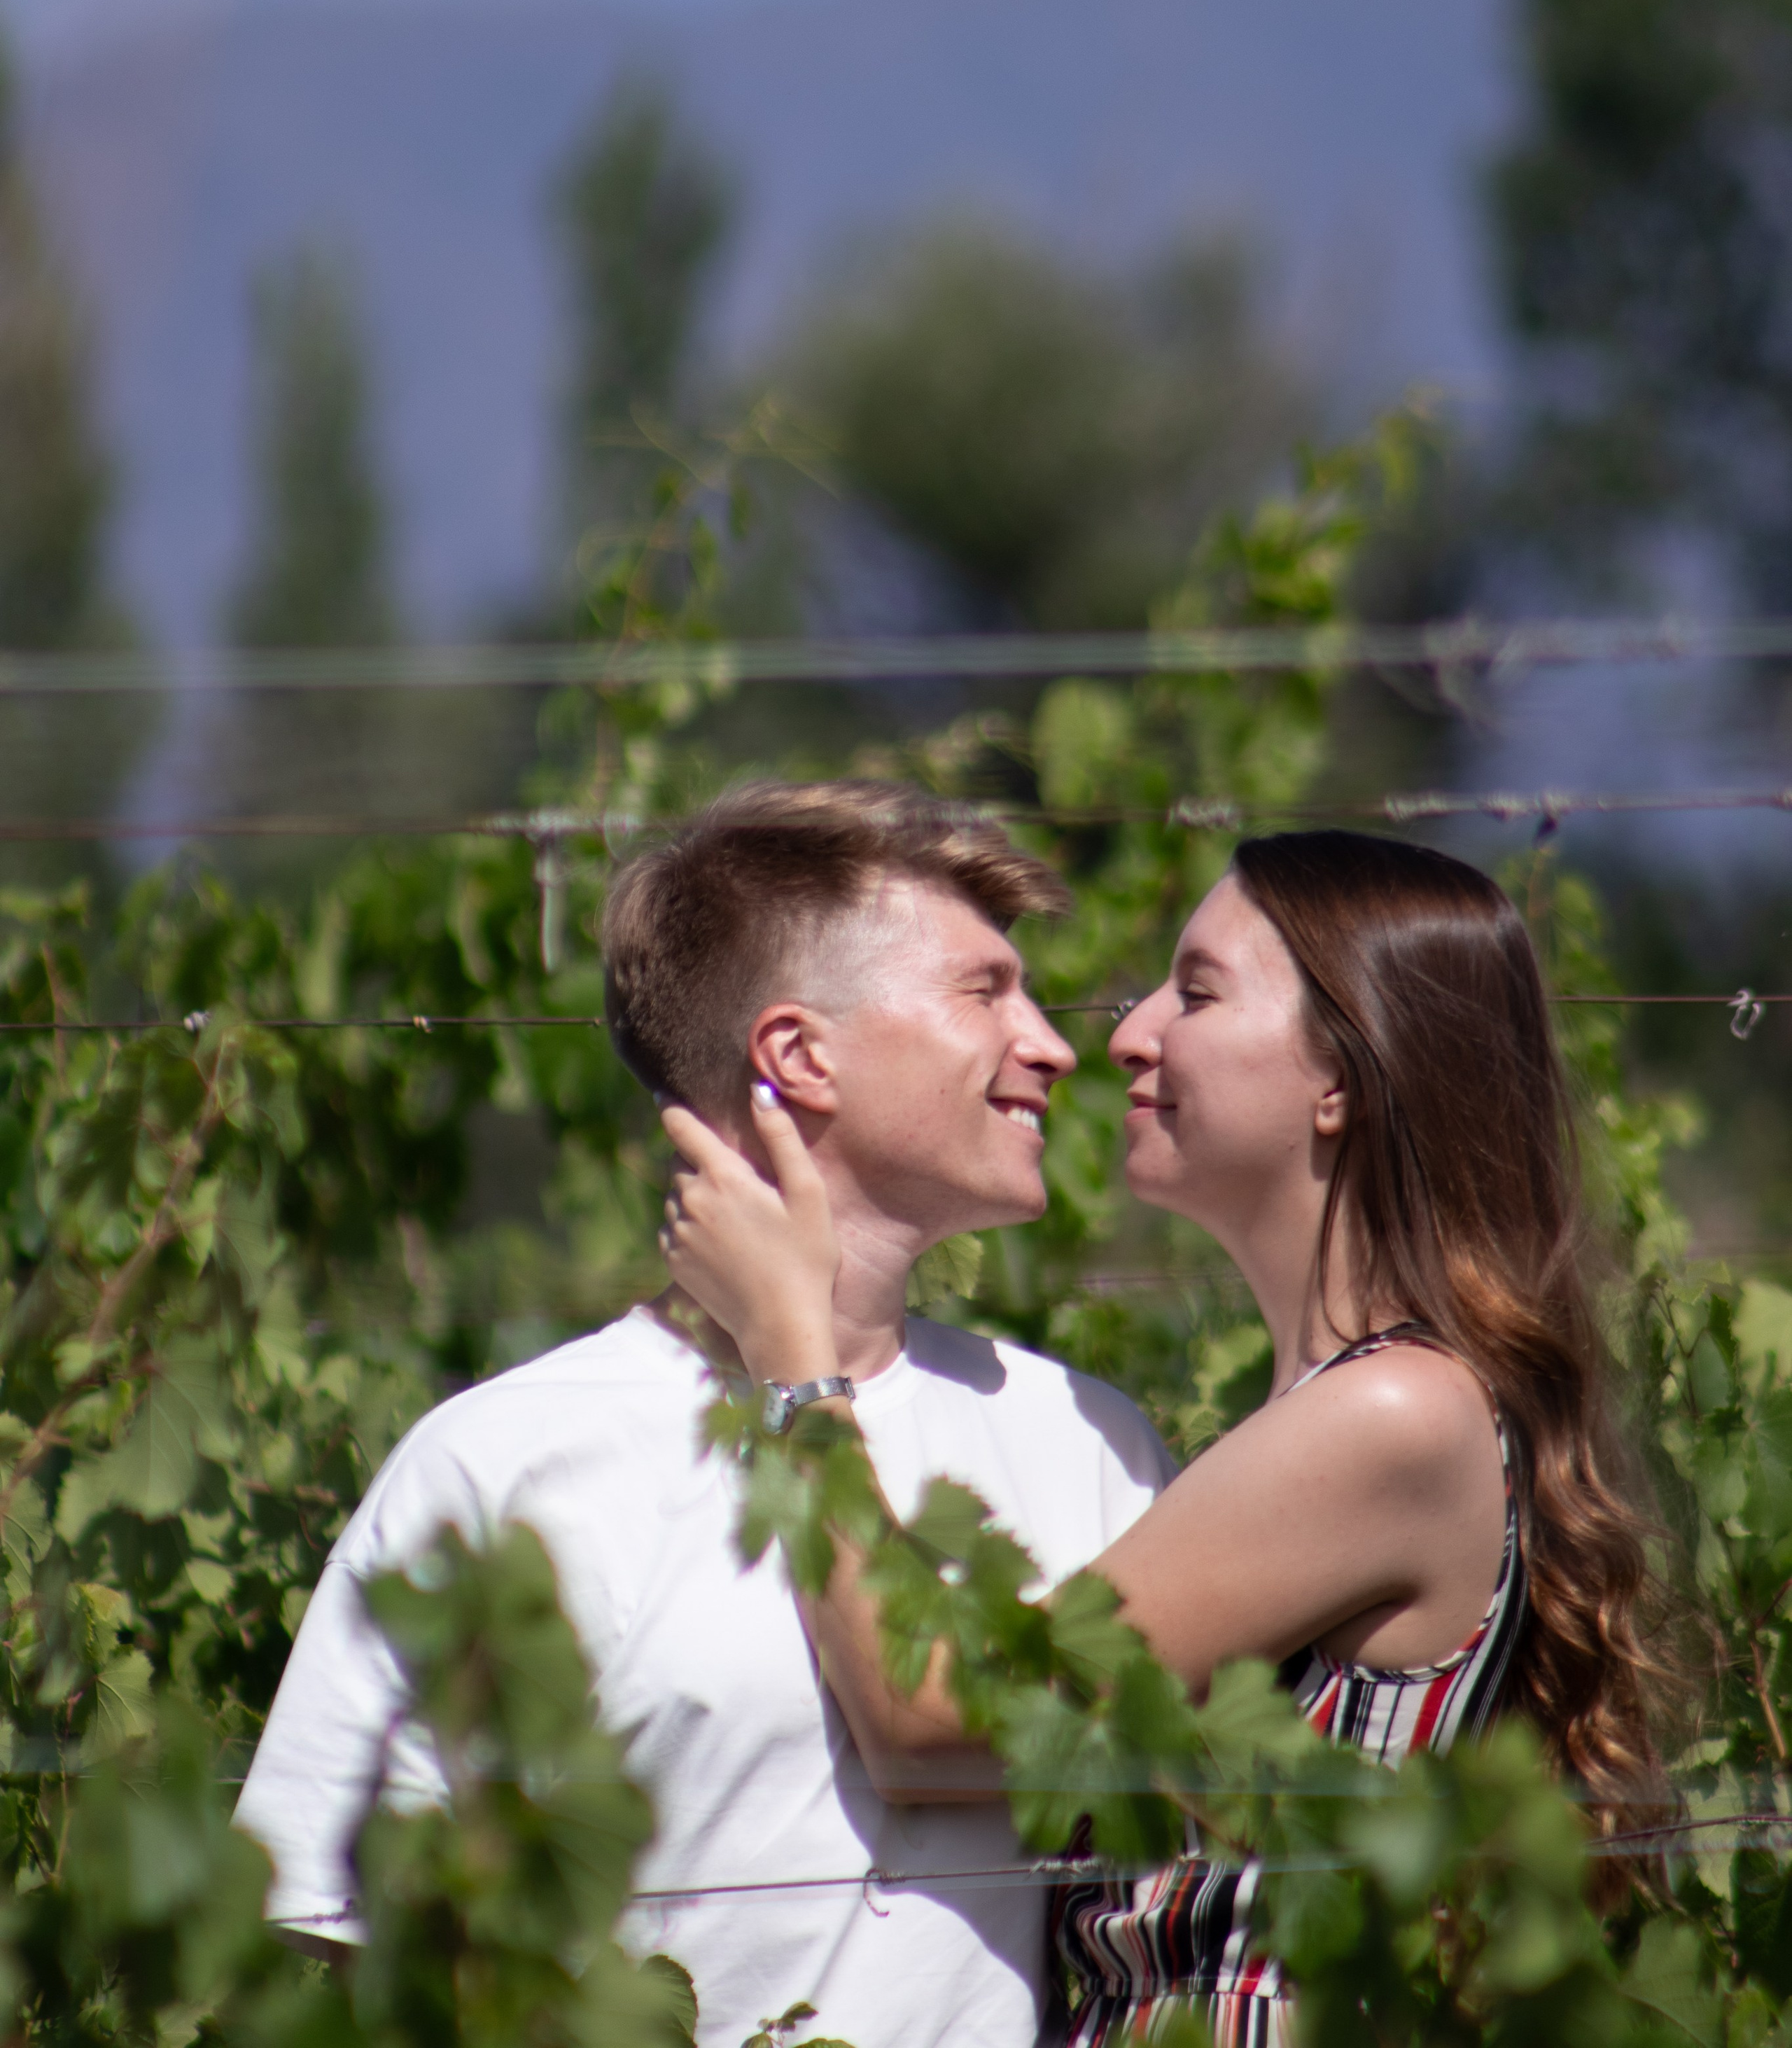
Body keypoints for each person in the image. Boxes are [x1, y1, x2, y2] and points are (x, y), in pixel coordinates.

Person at [660, 829, 1670, 2047]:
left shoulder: (1393, 1415)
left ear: (1340, 1076)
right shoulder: (1346, 1412)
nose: (1126, 1033)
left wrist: (793, 1354)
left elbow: (939, 1727)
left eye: (1195, 994)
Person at [234, 780, 1173, 2048]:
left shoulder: (1090, 1440)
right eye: (985, 992)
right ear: (798, 1056)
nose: (1054, 1044)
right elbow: (349, 1956)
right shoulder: (504, 1464)